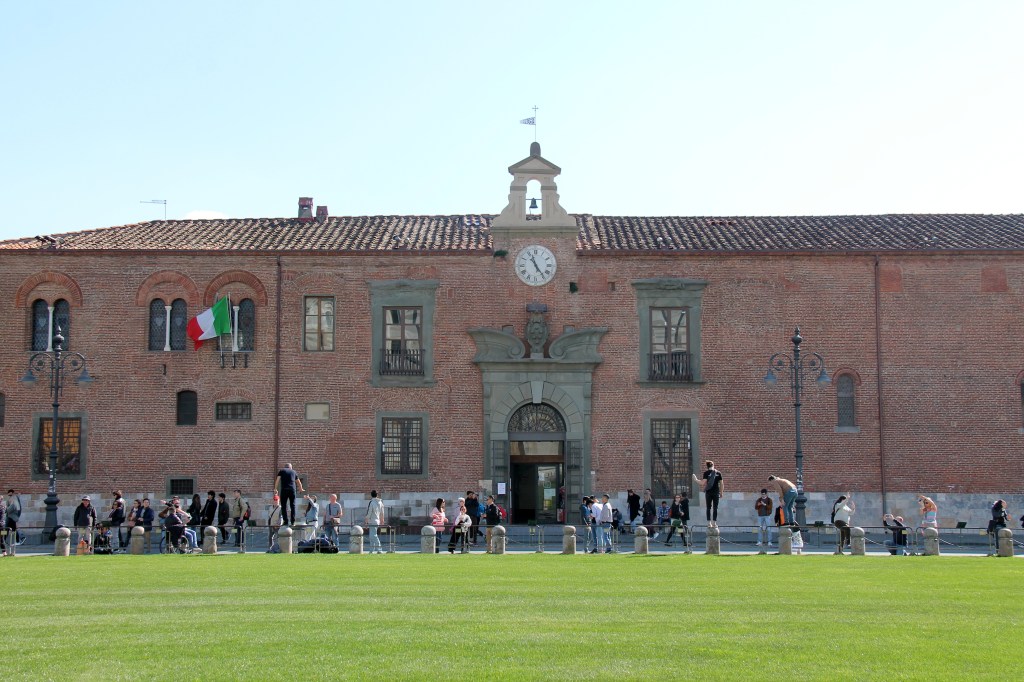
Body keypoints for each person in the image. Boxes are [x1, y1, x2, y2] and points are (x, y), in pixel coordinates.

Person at [693, 461, 723, 527]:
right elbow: (721, 484)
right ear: (713, 465)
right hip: (716, 492)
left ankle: (709, 523)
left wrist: (695, 479)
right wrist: (721, 492)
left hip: (708, 492)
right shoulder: (718, 473)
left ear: (707, 466)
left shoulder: (706, 473)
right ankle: (714, 523)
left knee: (708, 508)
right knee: (715, 508)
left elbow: (702, 483)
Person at [274, 462, 305, 527]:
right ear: (290, 467)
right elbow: (298, 482)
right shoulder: (294, 472)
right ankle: (293, 522)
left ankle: (285, 521)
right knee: (292, 506)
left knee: (283, 506)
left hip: (284, 490)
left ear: (285, 467)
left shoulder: (281, 471)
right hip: (292, 490)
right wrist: (301, 489)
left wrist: (275, 488)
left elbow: (277, 480)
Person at [365, 490, 385, 554]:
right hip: (377, 520)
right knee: (372, 536)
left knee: (373, 535)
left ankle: (379, 549)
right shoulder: (380, 502)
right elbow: (382, 513)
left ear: (371, 495)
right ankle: (371, 550)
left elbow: (369, 512)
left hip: (372, 521)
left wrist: (366, 521)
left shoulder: (371, 502)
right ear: (377, 495)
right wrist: (382, 520)